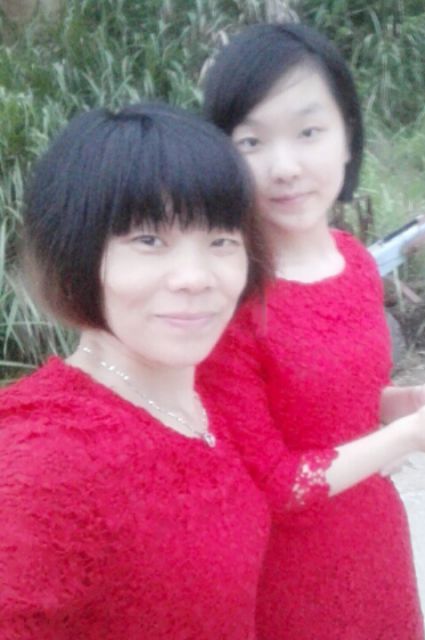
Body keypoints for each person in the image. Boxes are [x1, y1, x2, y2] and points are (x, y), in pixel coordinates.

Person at [199, 23, 425, 639]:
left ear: (347, 139)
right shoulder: (226, 299)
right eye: (251, 141)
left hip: (375, 538)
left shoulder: (354, 260)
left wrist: (412, 401)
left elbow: (342, 404)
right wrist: (408, 436)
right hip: (289, 571)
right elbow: (277, 485)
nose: (284, 167)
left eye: (308, 132)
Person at [0, 103, 271, 639]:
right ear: (74, 253)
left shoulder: (207, 396)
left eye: (221, 240)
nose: (196, 277)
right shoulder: (41, 462)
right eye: (149, 240)